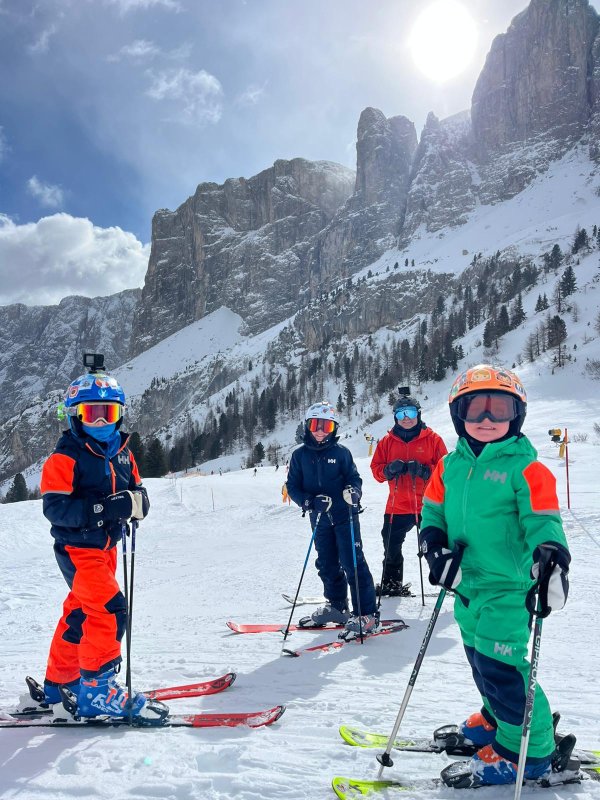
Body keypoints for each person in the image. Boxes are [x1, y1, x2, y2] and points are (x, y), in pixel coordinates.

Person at [419, 365, 571, 786]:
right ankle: (497, 717)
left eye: (499, 408)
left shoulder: (527, 469)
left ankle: (530, 749)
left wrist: (551, 557)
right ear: (458, 414)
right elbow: (432, 511)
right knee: (478, 660)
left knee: (502, 666)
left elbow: (544, 520)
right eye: (475, 408)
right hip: (467, 588)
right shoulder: (449, 466)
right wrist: (435, 547)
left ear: (516, 414)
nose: (486, 419)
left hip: (508, 588)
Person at [36, 355, 166, 723]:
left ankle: (59, 684)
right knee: (109, 610)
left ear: (120, 415)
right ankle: (96, 690)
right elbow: (56, 510)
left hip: (106, 549)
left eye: (107, 414)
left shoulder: (123, 453)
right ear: (75, 415)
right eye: (91, 414)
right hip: (78, 550)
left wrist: (136, 504)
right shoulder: (64, 457)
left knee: (79, 614)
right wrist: (107, 508)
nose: (100, 422)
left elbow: (138, 494)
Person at [286, 401, 378, 639]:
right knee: (326, 563)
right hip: (319, 518)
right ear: (307, 426)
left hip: (344, 515)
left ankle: (366, 614)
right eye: (315, 425)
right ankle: (337, 606)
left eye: (325, 426)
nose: (319, 431)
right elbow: (293, 486)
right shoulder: (299, 456)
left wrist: (354, 492)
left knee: (353, 562)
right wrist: (308, 502)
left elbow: (354, 478)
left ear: (333, 429)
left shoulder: (341, 453)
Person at [370, 388, 447, 597]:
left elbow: (447, 473)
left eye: (411, 413)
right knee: (390, 544)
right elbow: (376, 471)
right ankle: (392, 583)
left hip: (429, 504)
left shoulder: (433, 439)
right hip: (398, 505)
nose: (406, 419)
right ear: (395, 417)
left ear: (418, 414)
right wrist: (388, 470)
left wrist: (424, 471)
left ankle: (449, 577)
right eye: (401, 414)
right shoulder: (387, 442)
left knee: (436, 544)